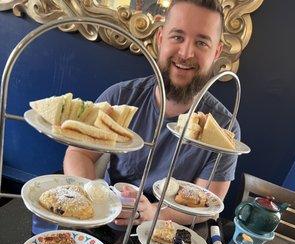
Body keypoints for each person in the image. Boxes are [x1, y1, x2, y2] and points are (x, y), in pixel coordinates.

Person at [64, 0, 240, 226]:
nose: (186, 53)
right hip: (107, 222)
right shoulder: (120, 98)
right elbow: (79, 153)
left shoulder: (225, 130)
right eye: (177, 37)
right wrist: (97, 203)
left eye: (201, 43)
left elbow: (206, 205)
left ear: (216, 52)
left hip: (167, 232)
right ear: (160, 39)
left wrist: (152, 213)